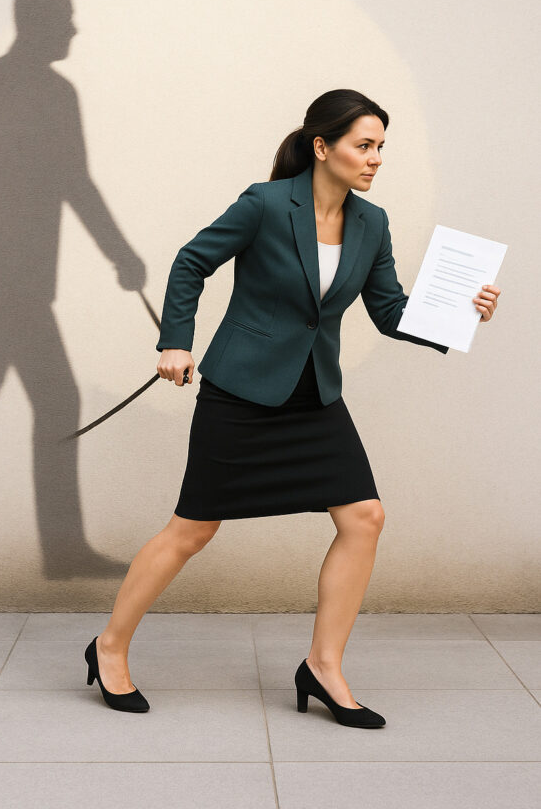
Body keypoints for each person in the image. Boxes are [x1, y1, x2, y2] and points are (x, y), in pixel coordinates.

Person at [84, 88, 501, 723]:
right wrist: (174, 340)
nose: (375, 159)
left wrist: (457, 316)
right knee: (193, 529)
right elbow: (191, 262)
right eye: (364, 145)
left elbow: (389, 312)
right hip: (242, 388)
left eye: (381, 147)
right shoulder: (266, 204)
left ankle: (323, 667)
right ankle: (109, 646)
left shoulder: (372, 223)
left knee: (364, 517)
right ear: (322, 146)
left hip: (314, 393)